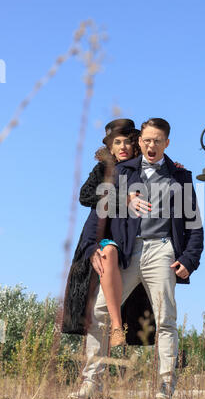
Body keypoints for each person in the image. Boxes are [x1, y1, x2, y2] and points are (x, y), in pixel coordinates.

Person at [80, 118, 204, 399]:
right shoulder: (122, 173)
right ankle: (91, 383)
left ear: (166, 143)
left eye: (157, 140)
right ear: (141, 142)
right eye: (147, 140)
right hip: (126, 253)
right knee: (99, 313)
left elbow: (194, 225)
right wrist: (90, 248)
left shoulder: (180, 178)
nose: (151, 145)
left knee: (165, 320)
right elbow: (98, 213)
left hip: (162, 251)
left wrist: (190, 258)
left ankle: (164, 386)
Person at [62, 119, 156, 352]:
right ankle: (115, 328)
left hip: (135, 244)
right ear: (110, 148)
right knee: (108, 255)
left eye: (127, 142)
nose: (122, 147)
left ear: (135, 144)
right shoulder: (104, 171)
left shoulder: (145, 170)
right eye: (117, 143)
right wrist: (124, 199)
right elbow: (85, 197)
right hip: (103, 240)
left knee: (156, 316)